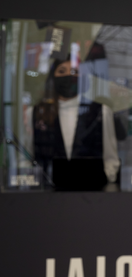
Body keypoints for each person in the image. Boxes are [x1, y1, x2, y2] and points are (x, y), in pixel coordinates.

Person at [26, 56, 120, 188]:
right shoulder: (36, 113)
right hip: (47, 195)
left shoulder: (101, 111)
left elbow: (111, 157)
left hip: (91, 192)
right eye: (62, 71)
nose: (68, 76)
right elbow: (26, 156)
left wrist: (105, 179)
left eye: (74, 71)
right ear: (53, 77)